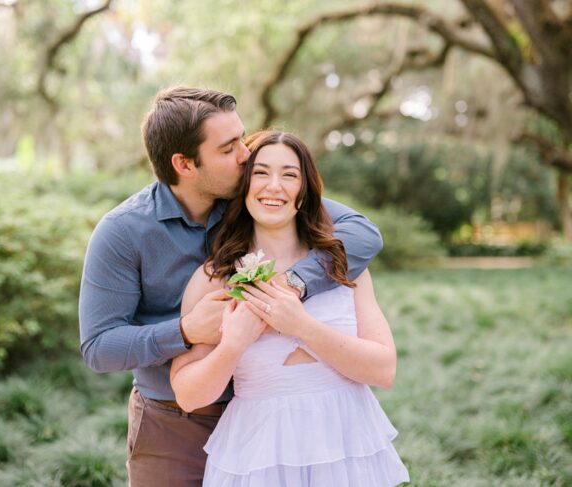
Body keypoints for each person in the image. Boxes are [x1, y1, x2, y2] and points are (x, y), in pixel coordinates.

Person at [78, 87, 384, 486]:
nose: (245, 153)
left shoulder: (253, 193)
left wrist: (293, 284)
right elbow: (99, 347)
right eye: (228, 148)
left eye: (241, 138)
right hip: (176, 424)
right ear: (184, 164)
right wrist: (185, 331)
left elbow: (362, 233)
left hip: (267, 415)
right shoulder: (123, 232)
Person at [171, 130, 409, 485]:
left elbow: (383, 369)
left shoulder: (342, 265)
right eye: (261, 173)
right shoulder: (214, 277)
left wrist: (301, 325)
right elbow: (189, 396)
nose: (274, 186)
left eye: (290, 175)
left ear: (306, 188)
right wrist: (233, 345)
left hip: (345, 444)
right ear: (244, 185)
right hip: (259, 454)